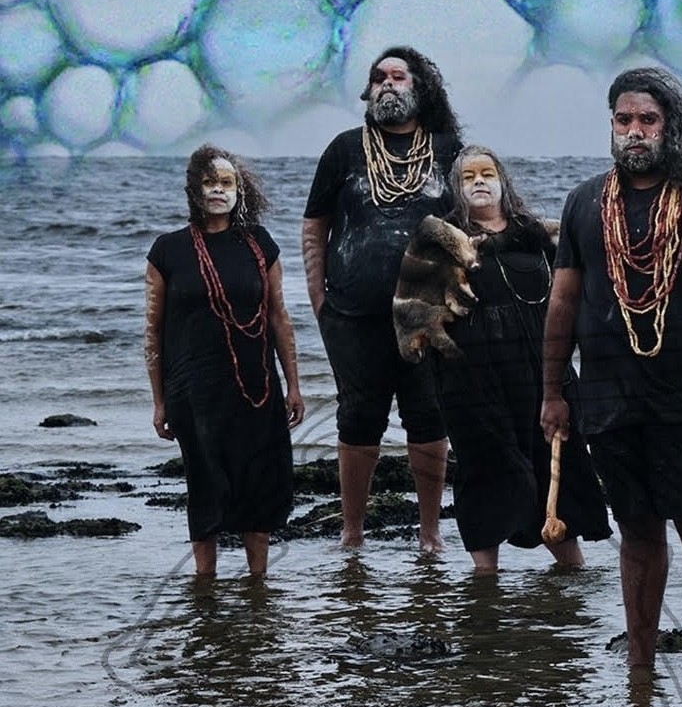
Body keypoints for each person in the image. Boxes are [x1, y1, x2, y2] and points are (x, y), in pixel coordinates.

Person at [541, 68, 682, 683]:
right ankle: (641, 663)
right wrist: (553, 391)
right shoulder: (585, 202)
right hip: (609, 397)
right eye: (624, 120)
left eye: (648, 120)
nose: (635, 131)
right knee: (636, 530)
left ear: (670, 127)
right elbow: (562, 302)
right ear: (611, 126)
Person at [302, 46, 462, 552]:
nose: (388, 84)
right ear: (369, 91)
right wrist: (320, 303)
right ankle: (352, 534)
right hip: (352, 315)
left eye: (399, 76)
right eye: (379, 78)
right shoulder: (345, 149)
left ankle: (430, 534)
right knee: (357, 419)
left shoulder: (447, 151)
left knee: (428, 417)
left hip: (428, 313)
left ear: (420, 89)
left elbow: (471, 229)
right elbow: (314, 228)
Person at [431, 145, 612, 574]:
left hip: (541, 374)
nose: (478, 180)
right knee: (484, 469)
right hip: (472, 380)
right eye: (468, 175)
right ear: (456, 187)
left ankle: (572, 571)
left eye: (486, 172)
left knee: (558, 467)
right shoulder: (439, 240)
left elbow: (574, 298)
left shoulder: (537, 236)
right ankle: (484, 577)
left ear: (502, 181)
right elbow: (415, 315)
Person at [145, 146, 305, 578]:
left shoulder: (259, 244)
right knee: (205, 486)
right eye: (209, 183)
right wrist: (159, 401)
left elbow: (278, 316)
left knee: (258, 486)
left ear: (239, 190)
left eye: (227, 183)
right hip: (193, 393)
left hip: (257, 389)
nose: (218, 190)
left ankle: (259, 582)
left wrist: (293, 384)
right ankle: (205, 583)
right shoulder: (167, 251)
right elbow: (153, 330)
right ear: (194, 190)